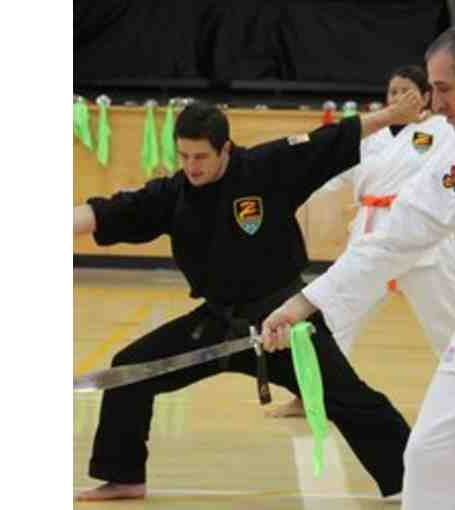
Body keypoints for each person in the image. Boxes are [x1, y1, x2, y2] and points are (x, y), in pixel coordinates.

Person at [261, 26, 455, 510]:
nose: (434, 103)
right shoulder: (450, 161)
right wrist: (303, 302)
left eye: (443, 88)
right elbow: (392, 241)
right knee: (431, 454)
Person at [73, 94, 426, 501]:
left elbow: (330, 140)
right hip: (218, 323)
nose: (192, 166)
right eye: (184, 156)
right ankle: (123, 476)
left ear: (225, 148)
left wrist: (392, 115)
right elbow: (111, 211)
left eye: (201, 157)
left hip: (283, 322)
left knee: (349, 399)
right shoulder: (174, 193)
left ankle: (416, 481)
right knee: (130, 371)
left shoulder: (266, 167)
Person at [267, 65, 455, 418]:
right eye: (393, 92)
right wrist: (294, 192)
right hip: (371, 236)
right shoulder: (369, 134)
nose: (398, 98)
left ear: (426, 96)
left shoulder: (443, 129)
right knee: (336, 318)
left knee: (451, 324)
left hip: (423, 238)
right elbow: (331, 171)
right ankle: (309, 396)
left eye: (407, 91)